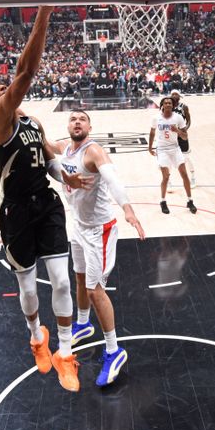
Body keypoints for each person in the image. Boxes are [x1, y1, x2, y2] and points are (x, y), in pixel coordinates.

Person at [0, 1, 89, 393]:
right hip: (16, 212)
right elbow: (26, 71)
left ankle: (65, 353)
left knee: (60, 282)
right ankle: (36, 337)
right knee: (28, 289)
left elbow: (47, 159)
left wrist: (66, 178)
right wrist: (45, 9)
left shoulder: (32, 120)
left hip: (46, 203)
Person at [51, 109, 146, 386]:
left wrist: (128, 209)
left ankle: (114, 351)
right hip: (78, 226)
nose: (76, 122)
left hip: (99, 230)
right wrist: (18, 113)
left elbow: (113, 180)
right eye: (72, 119)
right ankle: (83, 323)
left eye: (82, 119)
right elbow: (43, 143)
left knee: (95, 289)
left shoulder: (94, 152)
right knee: (79, 277)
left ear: (89, 127)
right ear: (68, 125)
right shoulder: (65, 148)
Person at [148, 96, 197, 215]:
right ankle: (163, 201)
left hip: (175, 148)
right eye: (166, 103)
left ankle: (190, 201)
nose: (168, 105)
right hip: (162, 149)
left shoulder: (178, 118)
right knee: (166, 176)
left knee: (184, 175)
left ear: (173, 105)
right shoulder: (156, 118)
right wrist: (149, 147)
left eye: (170, 103)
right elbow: (152, 132)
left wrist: (178, 131)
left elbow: (185, 137)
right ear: (162, 105)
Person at [170, 90, 196, 186]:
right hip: (172, 136)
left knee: (186, 158)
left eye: (176, 94)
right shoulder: (168, 106)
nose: (174, 95)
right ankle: (168, 180)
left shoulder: (184, 107)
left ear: (179, 96)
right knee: (168, 158)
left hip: (182, 135)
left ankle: (193, 176)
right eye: (172, 94)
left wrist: (184, 129)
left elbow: (189, 121)